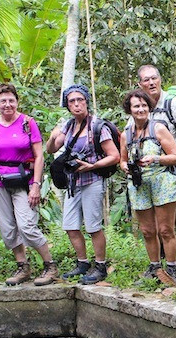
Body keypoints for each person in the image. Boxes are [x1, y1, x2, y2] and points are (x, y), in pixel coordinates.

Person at [0, 83, 60, 286]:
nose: (7, 104)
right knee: (8, 227)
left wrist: (36, 184)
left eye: (11, 100)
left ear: (17, 101)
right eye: (3, 101)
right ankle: (22, 266)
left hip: (24, 180)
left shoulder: (27, 123)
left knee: (27, 225)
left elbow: (39, 155)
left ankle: (50, 265)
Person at [45, 84, 120, 285]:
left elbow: (114, 156)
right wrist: (53, 136)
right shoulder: (68, 126)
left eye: (80, 100)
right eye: (72, 101)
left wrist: (92, 165)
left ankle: (101, 266)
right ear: (67, 105)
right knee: (70, 225)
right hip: (73, 182)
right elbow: (51, 149)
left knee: (94, 226)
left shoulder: (97, 127)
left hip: (92, 181)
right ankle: (82, 263)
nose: (77, 104)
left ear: (86, 102)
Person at [137, 65, 176, 264]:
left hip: (173, 167)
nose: (151, 83)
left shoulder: (171, 104)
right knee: (156, 214)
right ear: (140, 84)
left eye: (154, 78)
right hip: (150, 171)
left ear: (160, 79)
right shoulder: (140, 106)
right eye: (146, 80)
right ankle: (162, 256)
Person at [121, 89, 176, 285]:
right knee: (147, 231)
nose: (140, 109)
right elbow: (122, 160)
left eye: (143, 105)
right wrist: (126, 167)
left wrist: (155, 158)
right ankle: (155, 267)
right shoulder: (126, 134)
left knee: (166, 229)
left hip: (162, 182)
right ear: (129, 110)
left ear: (149, 107)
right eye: (136, 106)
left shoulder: (158, 129)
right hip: (139, 185)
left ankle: (172, 269)